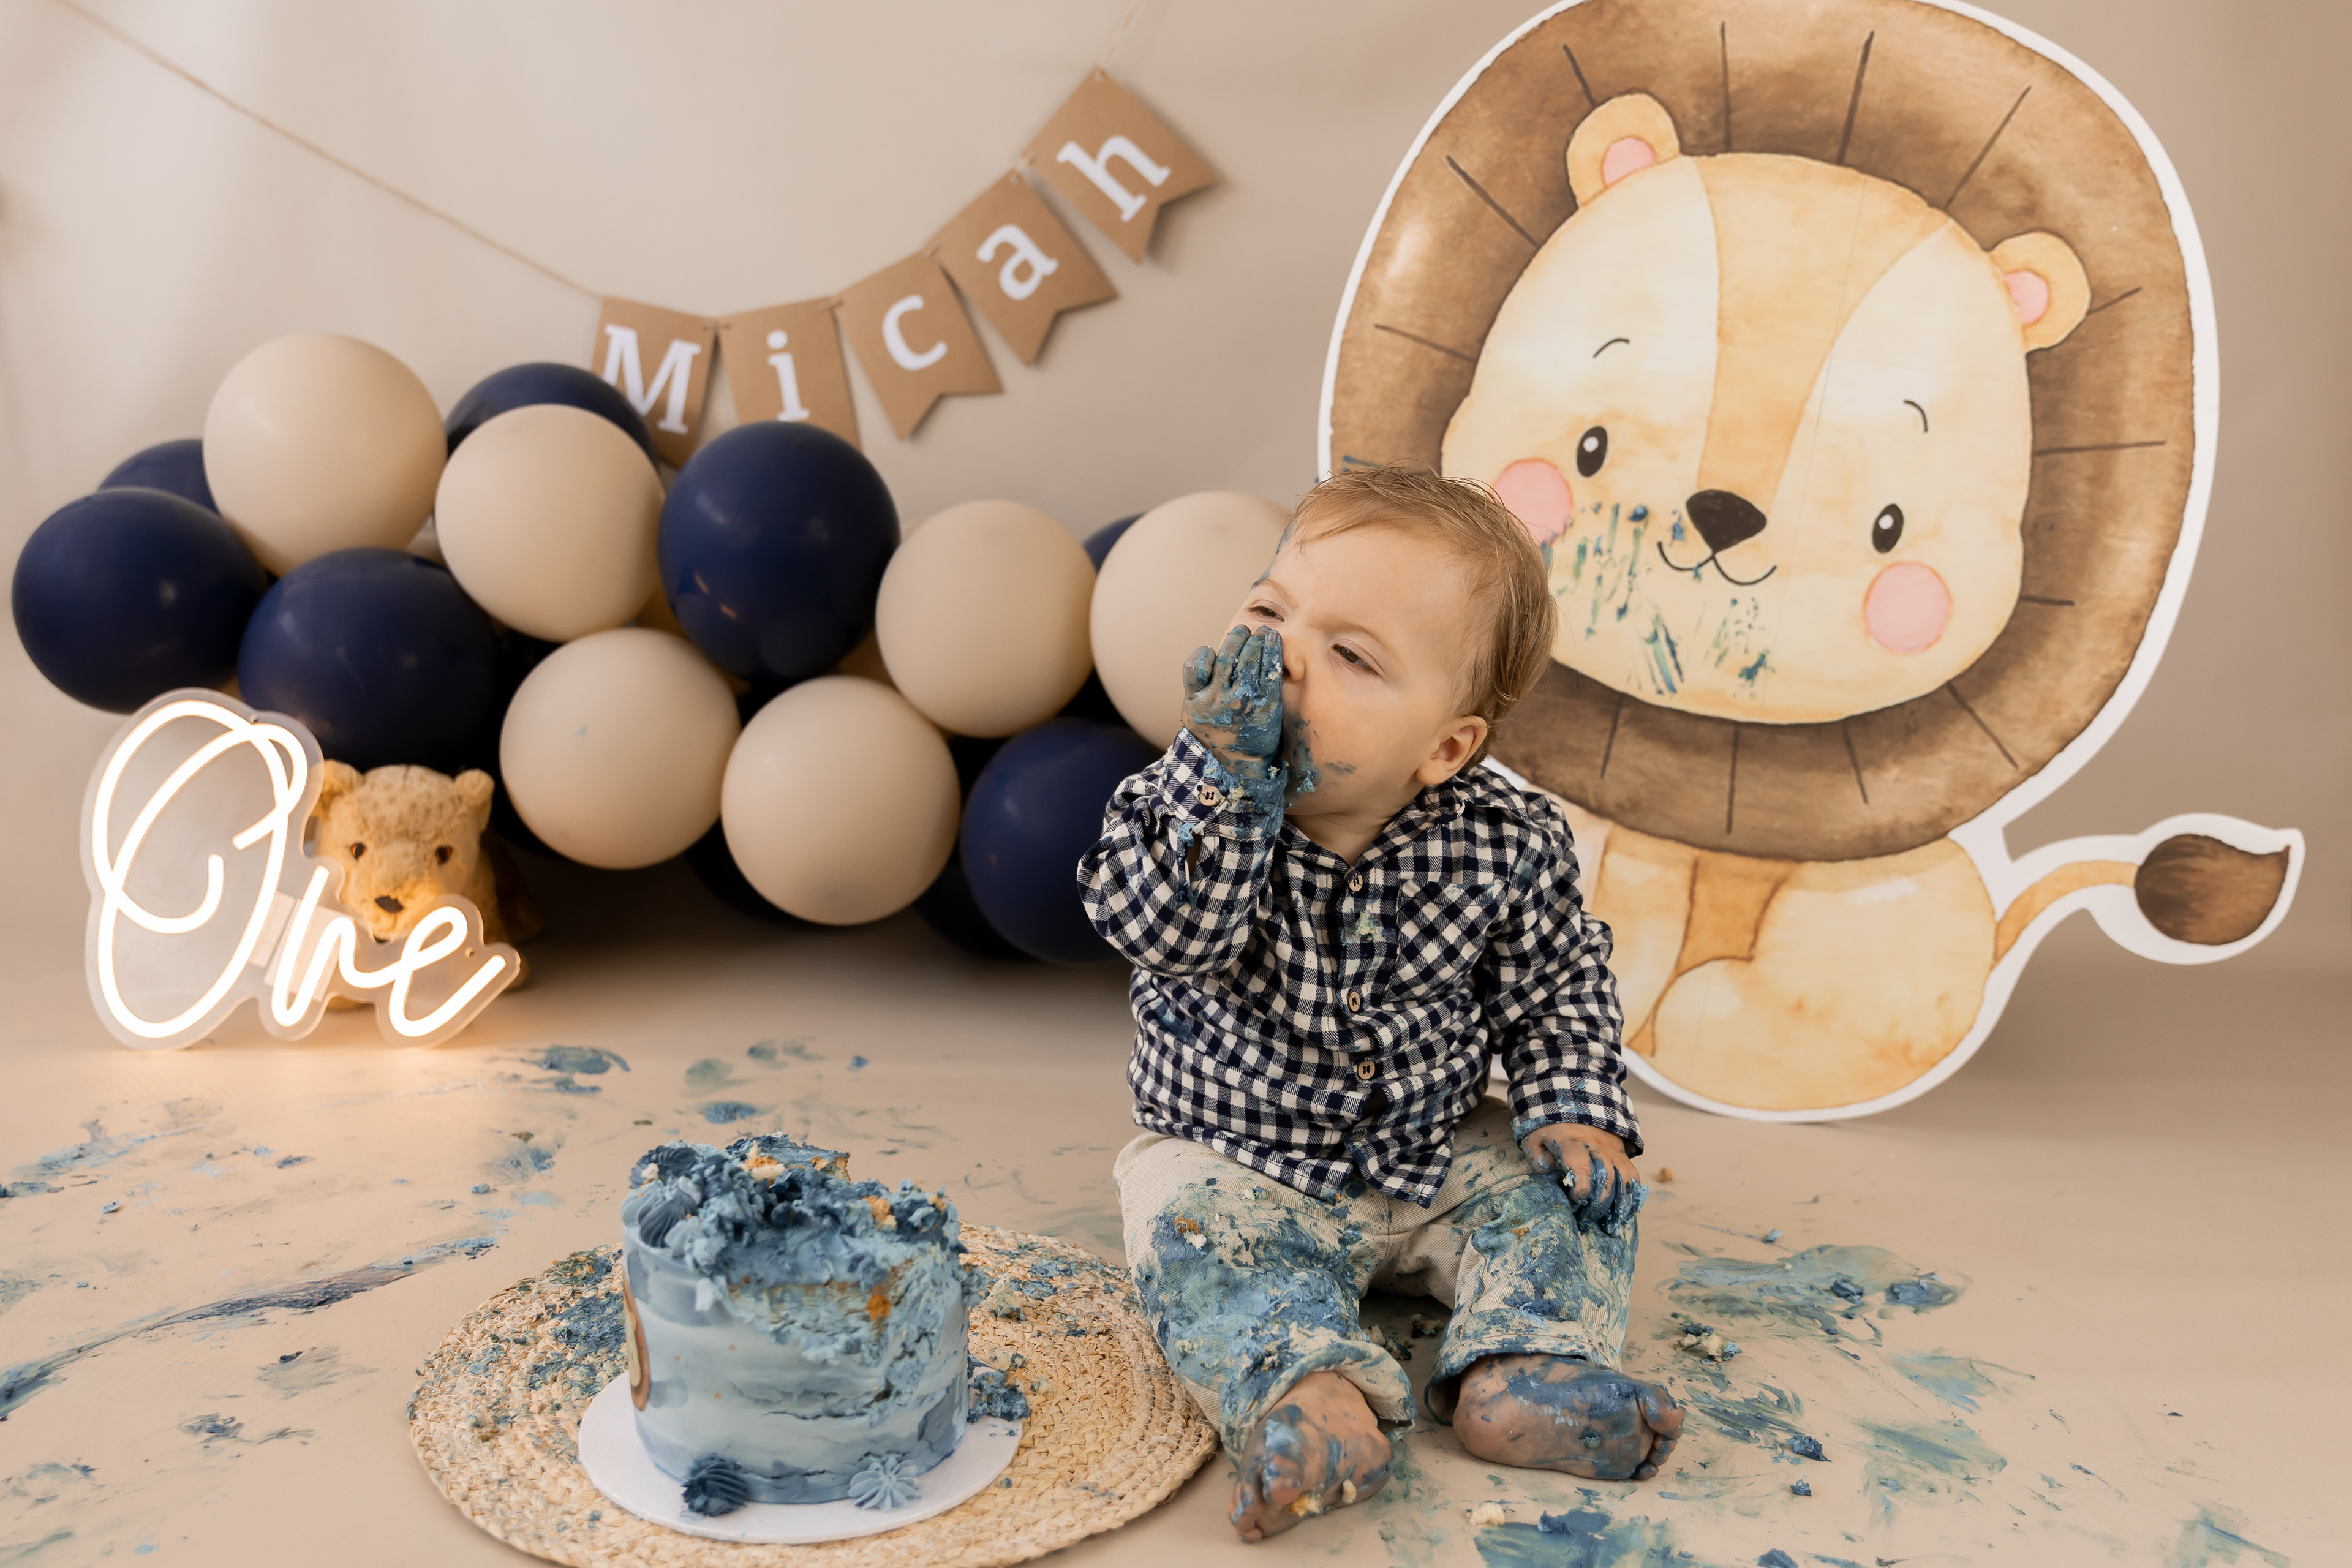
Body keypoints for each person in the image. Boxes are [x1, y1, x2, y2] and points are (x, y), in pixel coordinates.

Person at [1079, 466, 1682, 1542]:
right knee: (1183, 1226)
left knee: (1571, 1199)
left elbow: (1553, 988)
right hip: (1240, 1156)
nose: (1282, 656)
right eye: (1270, 611)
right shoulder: (1178, 804)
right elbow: (1167, 938)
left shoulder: (1507, 841)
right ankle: (1307, 1397)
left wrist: (1572, 1107)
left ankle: (1528, 1367)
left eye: (1352, 655)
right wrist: (1227, 785)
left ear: (1445, 748)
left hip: (1431, 1148)